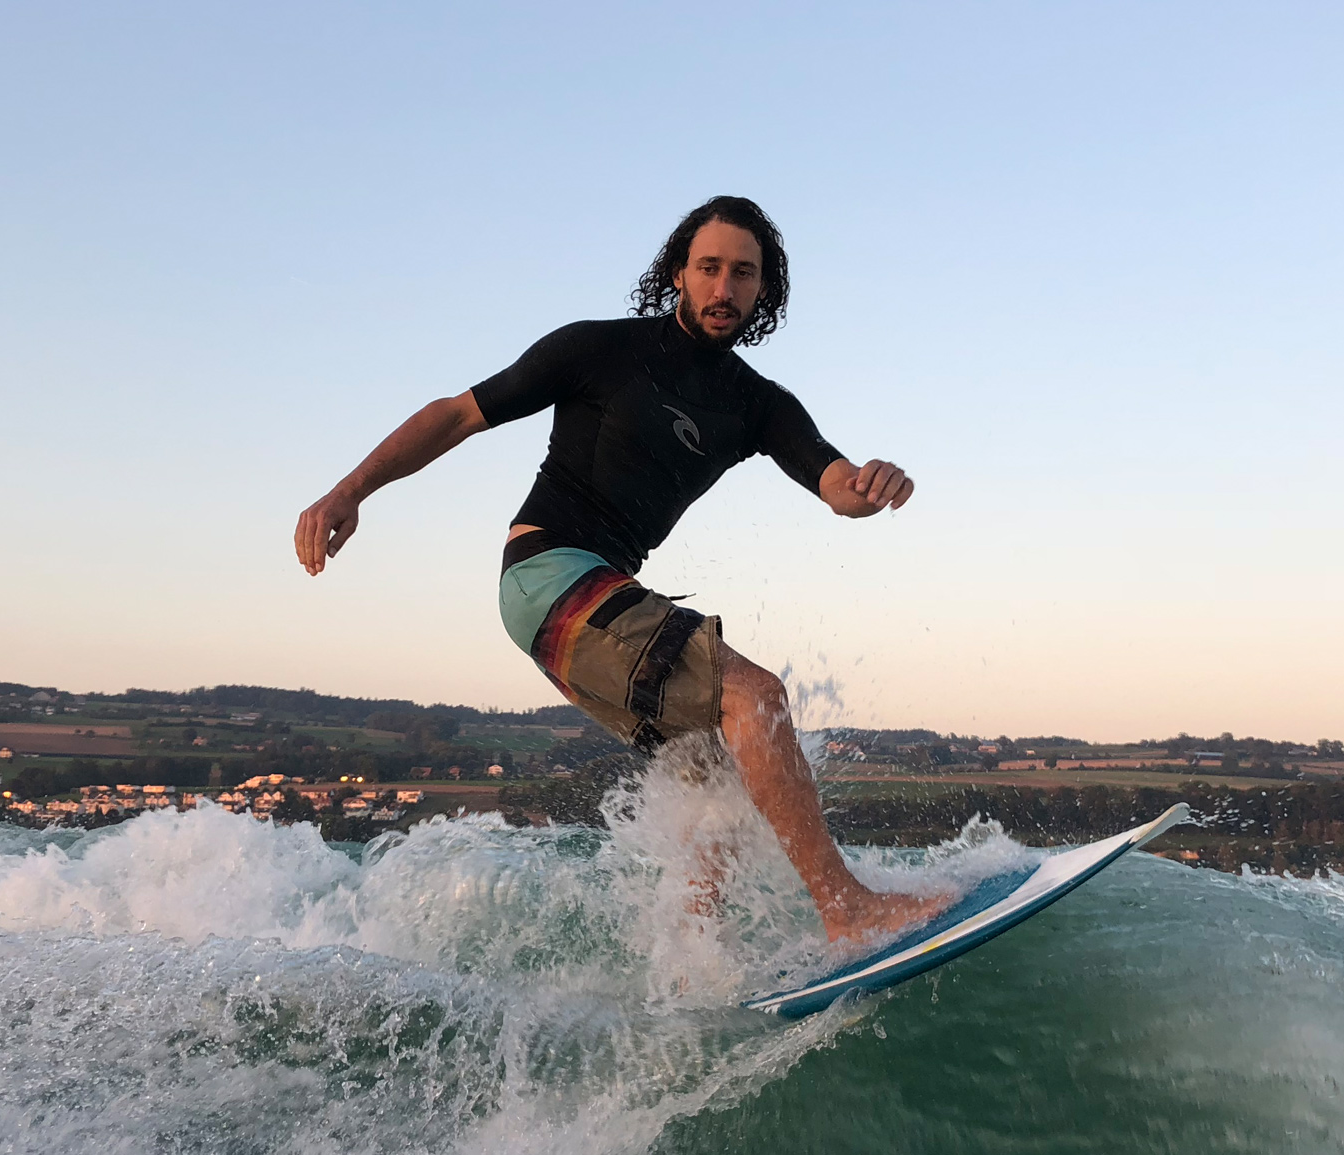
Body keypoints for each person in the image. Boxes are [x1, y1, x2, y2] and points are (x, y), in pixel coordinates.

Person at [293, 196, 946, 943]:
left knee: (720, 774)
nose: (723, 289)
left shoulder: (758, 405)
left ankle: (694, 962)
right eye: (709, 268)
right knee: (755, 697)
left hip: (602, 601)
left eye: (743, 274)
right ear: (678, 273)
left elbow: (835, 484)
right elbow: (457, 413)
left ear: (763, 289)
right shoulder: (595, 350)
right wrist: (349, 491)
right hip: (549, 575)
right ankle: (847, 908)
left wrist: (869, 485)